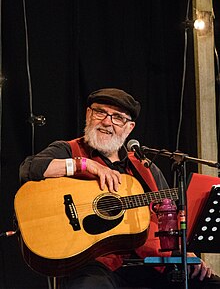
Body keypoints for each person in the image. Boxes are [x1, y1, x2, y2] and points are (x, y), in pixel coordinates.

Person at [19, 88, 220, 289]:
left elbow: (169, 216)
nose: (107, 122)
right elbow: (29, 169)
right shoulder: (68, 149)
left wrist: (185, 252)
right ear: (89, 114)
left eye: (118, 118)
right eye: (100, 112)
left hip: (151, 262)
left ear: (129, 127)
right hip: (96, 264)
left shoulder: (145, 166)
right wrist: (84, 165)